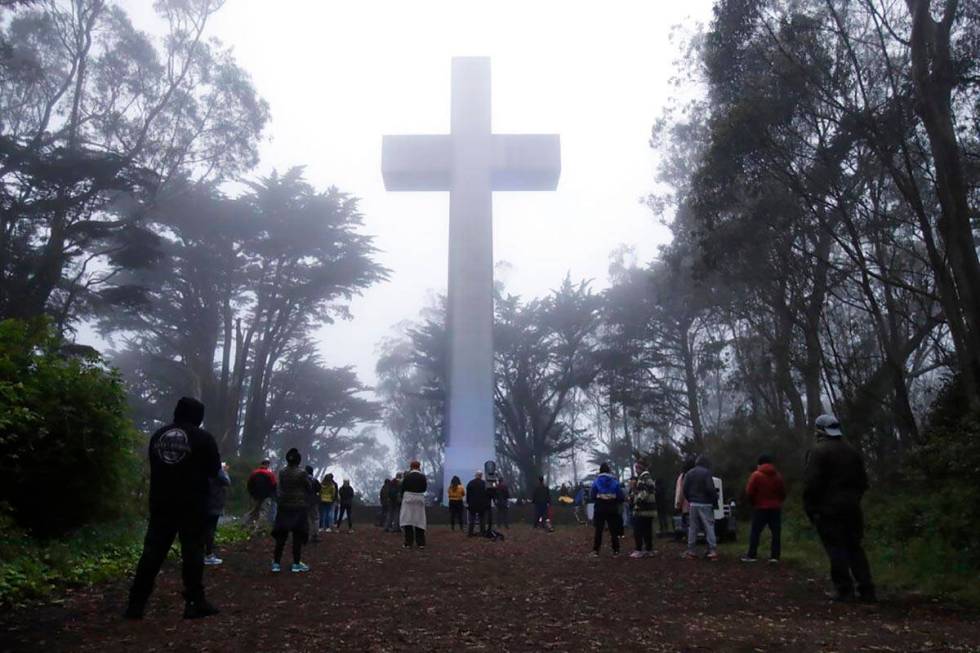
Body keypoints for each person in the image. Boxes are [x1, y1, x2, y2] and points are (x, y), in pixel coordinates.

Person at [125, 397, 221, 620]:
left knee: (152, 553)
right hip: (193, 504)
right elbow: (214, 471)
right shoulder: (203, 438)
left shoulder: (158, 436)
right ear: (198, 416)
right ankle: (194, 602)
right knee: (192, 553)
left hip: (161, 502)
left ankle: (135, 604)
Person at [804, 415, 875, 603]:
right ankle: (867, 589)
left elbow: (812, 484)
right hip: (852, 508)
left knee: (836, 549)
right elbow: (863, 482)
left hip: (828, 510)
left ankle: (844, 590)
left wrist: (811, 508)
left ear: (819, 430)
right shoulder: (852, 451)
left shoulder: (818, 452)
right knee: (855, 548)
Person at [740, 454, 786, 563]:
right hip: (775, 508)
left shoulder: (756, 475)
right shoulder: (778, 476)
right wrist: (778, 502)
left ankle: (752, 555)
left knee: (755, 532)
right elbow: (783, 492)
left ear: (759, 464)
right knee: (776, 533)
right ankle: (775, 556)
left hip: (760, 507)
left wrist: (753, 503)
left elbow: (749, 492)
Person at [271, 448, 311, 573]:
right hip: (299, 507)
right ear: (298, 460)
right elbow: (308, 487)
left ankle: (276, 563)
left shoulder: (282, 472)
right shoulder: (302, 473)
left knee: (281, 536)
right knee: (297, 537)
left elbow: (280, 486)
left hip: (284, 507)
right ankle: (296, 564)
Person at [682, 455, 719, 560]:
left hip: (693, 503)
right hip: (706, 504)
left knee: (693, 528)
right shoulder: (707, 473)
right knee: (709, 526)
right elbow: (710, 489)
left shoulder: (689, 473)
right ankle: (712, 550)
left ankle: (691, 551)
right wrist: (714, 502)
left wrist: (690, 499)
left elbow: (684, 489)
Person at [590, 463, 625, 557]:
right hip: (612, 507)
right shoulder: (614, 481)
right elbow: (620, 495)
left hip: (600, 507)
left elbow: (592, 494)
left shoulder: (596, 481)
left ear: (600, 471)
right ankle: (616, 551)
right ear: (609, 470)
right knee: (613, 530)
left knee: (599, 530)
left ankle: (596, 551)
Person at [204, 462, 231, 566]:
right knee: (210, 529)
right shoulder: (216, 469)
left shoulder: (198, 466)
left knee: (201, 529)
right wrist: (224, 471)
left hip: (201, 502)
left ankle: (199, 554)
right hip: (213, 503)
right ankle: (208, 555)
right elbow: (227, 482)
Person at [630, 468, 657, 558]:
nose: (636, 469)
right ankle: (649, 549)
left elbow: (644, 492)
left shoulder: (642, 478)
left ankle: (639, 550)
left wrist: (637, 500)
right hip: (650, 509)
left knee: (638, 529)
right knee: (647, 530)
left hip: (642, 509)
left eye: (637, 467)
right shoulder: (649, 478)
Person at [400, 461, 428, 548]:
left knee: (408, 521)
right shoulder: (422, 477)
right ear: (419, 467)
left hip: (408, 499)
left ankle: (408, 542)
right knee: (419, 521)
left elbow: (402, 488)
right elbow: (424, 488)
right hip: (419, 499)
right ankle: (421, 543)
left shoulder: (407, 477)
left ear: (411, 467)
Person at [246, 459, 277, 530]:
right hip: (266, 497)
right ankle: (258, 528)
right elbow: (274, 485)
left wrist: (252, 494)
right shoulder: (270, 474)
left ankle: (246, 525)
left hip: (255, 496)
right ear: (267, 465)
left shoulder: (254, 473)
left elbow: (249, 485)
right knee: (263, 512)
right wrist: (273, 496)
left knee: (254, 511)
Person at [674, 456, 696, 534]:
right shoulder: (697, 475)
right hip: (698, 503)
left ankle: (690, 540)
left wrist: (678, 504)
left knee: (687, 525)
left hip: (686, 505)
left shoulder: (683, 476)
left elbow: (681, 492)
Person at [466, 471, 489, 537]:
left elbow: (468, 494)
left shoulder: (470, 483)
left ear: (476, 475)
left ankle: (470, 533)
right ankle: (482, 532)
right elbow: (487, 494)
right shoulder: (484, 483)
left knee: (472, 519)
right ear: (481, 476)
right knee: (482, 518)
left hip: (472, 503)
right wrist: (486, 503)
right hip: (482, 504)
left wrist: (468, 502)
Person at [305, 466, 322, 543]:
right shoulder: (315, 480)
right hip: (314, 501)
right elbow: (319, 489)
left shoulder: (303, 480)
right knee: (315, 518)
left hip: (304, 501)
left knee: (307, 518)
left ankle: (307, 535)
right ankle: (315, 535)